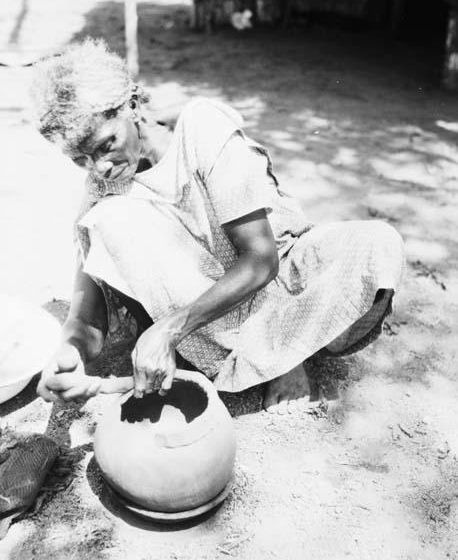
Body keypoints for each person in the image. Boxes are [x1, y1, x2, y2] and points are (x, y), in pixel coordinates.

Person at [32, 39, 404, 413]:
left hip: (274, 278)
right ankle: (269, 355)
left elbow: (261, 258)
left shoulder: (200, 127)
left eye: (105, 144)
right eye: (80, 159)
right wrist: (71, 352)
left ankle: (281, 356)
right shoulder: (101, 195)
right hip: (213, 324)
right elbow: (86, 319)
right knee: (109, 219)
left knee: (376, 245)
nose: (99, 167)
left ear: (130, 106)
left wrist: (167, 330)